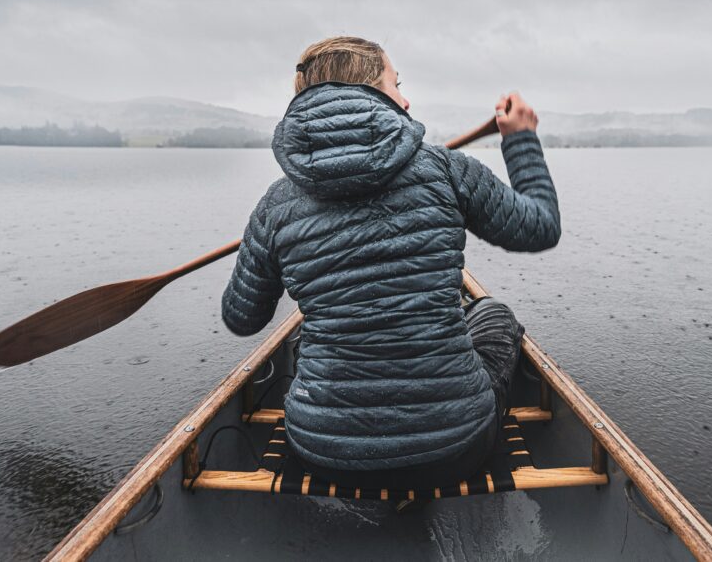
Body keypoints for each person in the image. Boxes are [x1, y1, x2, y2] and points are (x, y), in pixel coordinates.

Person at [221, 36, 560, 490]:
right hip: (456, 447)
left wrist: (263, 241)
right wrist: (520, 140)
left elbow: (242, 318)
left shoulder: (276, 204)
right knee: (494, 315)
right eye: (396, 84)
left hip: (323, 453)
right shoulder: (444, 169)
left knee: (305, 334)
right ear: (374, 95)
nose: (406, 98)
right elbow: (541, 226)